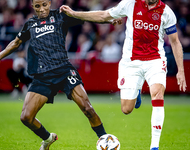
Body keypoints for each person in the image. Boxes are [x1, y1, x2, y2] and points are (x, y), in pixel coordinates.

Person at [60, 0, 187, 150]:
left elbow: (175, 42)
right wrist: (75, 14)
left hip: (155, 60)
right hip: (130, 62)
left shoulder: (166, 12)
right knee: (126, 109)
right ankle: (137, 92)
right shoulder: (130, 4)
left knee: (157, 94)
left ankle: (154, 146)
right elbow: (104, 15)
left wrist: (181, 71)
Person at [0, 0, 109, 149]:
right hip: (42, 76)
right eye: (37, 6)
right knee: (26, 117)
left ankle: (105, 140)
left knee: (88, 108)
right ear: (33, 6)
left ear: (50, 3)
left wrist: (109, 18)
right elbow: (16, 42)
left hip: (64, 70)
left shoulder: (60, 16)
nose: (41, 9)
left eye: (44, 5)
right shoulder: (30, 24)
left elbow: (87, 16)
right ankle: (47, 138)